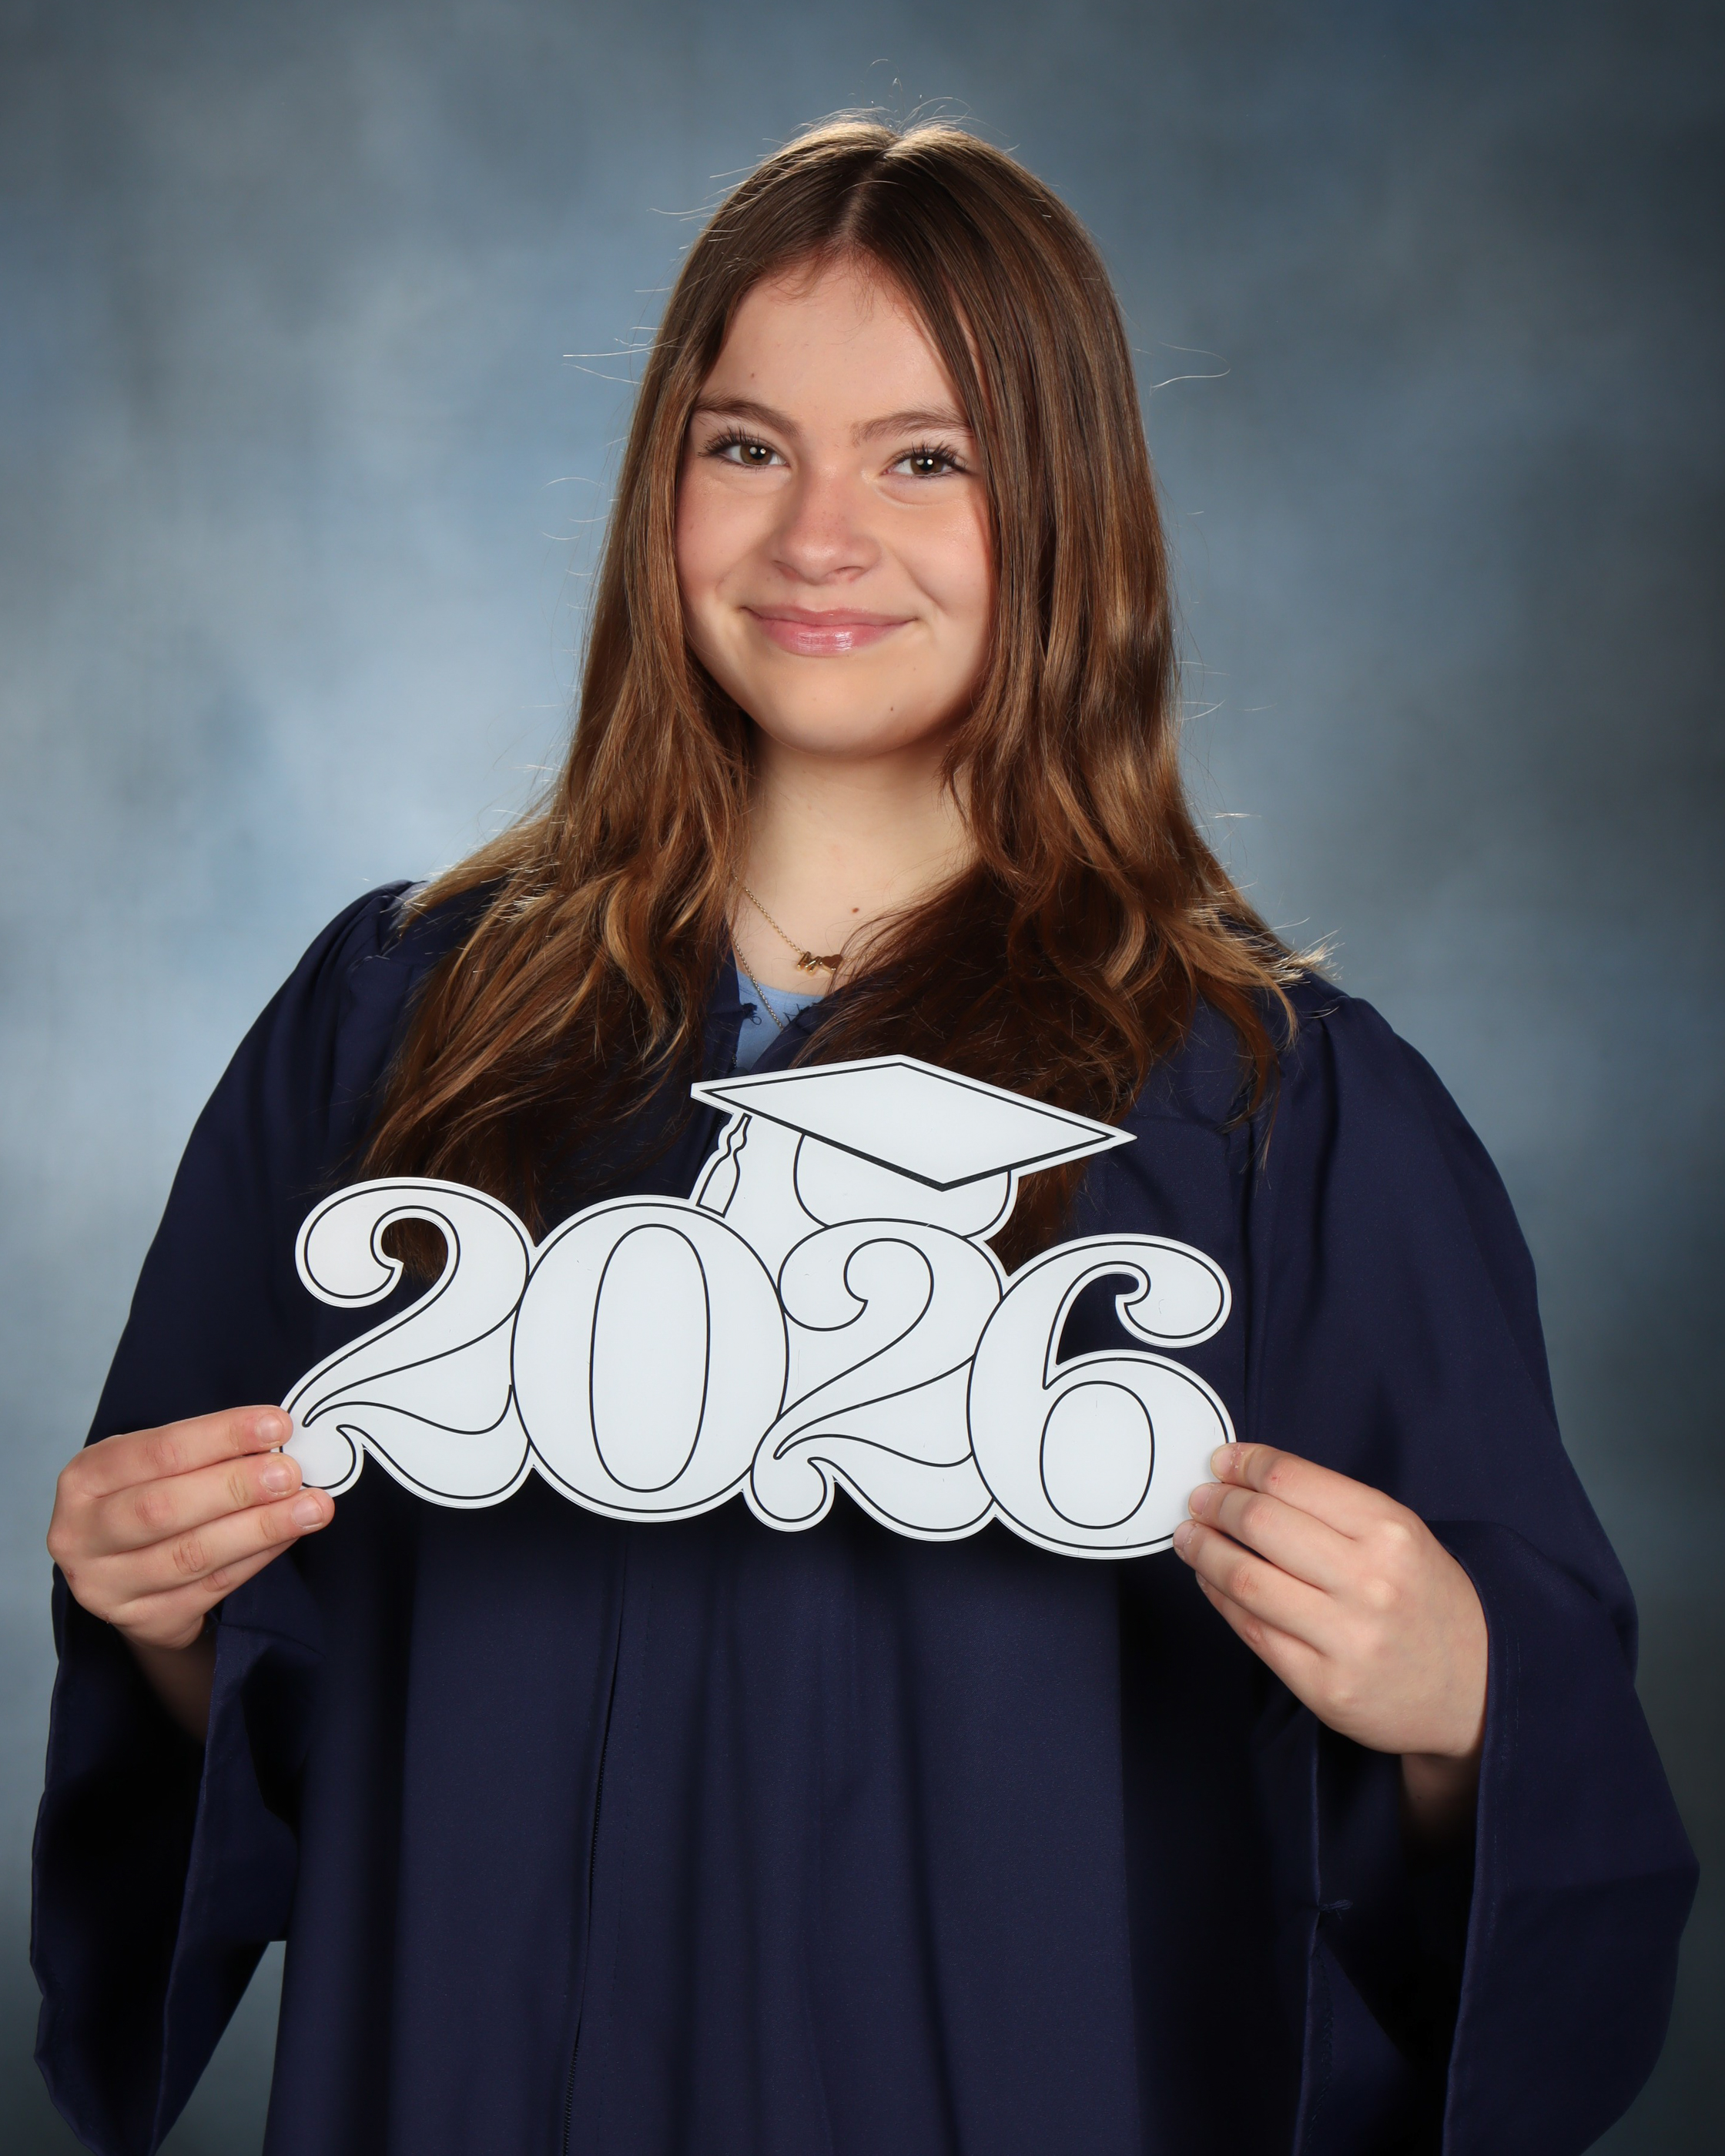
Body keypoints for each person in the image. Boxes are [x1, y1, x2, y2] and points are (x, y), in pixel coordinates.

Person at [35, 119, 1693, 2156]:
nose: (820, 537)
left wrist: (1461, 1706)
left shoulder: (1278, 1115)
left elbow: (1533, 1812)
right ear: (661, 487)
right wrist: (156, 1614)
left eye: (926, 459)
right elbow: (248, 1717)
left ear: (1065, 511)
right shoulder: (398, 1027)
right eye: (747, 447)